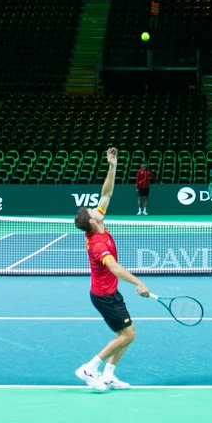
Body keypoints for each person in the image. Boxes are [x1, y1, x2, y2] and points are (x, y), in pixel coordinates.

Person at [73, 147, 152, 393]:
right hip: (105, 297)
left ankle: (108, 375)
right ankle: (89, 368)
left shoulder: (97, 223)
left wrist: (113, 165)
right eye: (92, 210)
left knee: (129, 334)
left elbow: (106, 193)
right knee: (127, 336)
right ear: (93, 220)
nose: (96, 207)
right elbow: (115, 268)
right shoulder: (97, 244)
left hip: (109, 292)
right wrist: (139, 283)